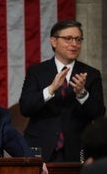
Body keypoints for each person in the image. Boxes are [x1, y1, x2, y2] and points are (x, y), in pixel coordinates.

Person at [19, 20, 105, 162]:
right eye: (68, 38)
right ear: (54, 41)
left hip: (77, 149)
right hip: (42, 147)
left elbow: (98, 114)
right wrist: (50, 90)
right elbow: (25, 108)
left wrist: (82, 94)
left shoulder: (91, 74)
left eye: (78, 39)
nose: (74, 44)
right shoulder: (37, 72)